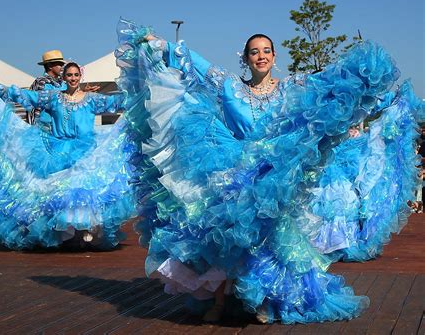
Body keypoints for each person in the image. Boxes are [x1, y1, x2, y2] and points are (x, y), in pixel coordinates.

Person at [115, 19, 422, 324]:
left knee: (272, 238)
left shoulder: (292, 88)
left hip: (276, 175)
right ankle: (219, 301)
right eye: (254, 52)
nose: (260, 56)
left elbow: (328, 84)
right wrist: (161, 44)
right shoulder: (229, 85)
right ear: (245, 58)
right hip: (234, 170)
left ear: (274, 57)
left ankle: (266, 299)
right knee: (226, 236)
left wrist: (365, 78)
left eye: (266, 51)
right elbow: (193, 62)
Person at [0, 62, 137, 250]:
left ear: (80, 77)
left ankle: (83, 230)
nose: (73, 78)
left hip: (85, 151)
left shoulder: (91, 99)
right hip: (55, 152)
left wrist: (140, 92)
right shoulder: (54, 97)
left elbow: (116, 102)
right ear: (64, 77)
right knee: (59, 192)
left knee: (82, 191)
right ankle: (64, 233)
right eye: (69, 75)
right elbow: (26, 96)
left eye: (75, 75)